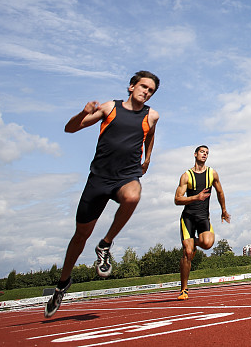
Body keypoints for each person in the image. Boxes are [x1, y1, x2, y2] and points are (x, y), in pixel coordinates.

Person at [45, 71, 160, 318]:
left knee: (133, 196)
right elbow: (70, 129)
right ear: (131, 86)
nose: (146, 92)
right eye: (143, 87)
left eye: (151, 90)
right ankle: (63, 282)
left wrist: (147, 158)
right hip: (98, 180)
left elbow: (150, 135)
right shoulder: (110, 108)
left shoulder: (152, 115)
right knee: (80, 236)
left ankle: (105, 244)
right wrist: (83, 112)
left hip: (126, 176)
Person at [174, 145, 230, 300]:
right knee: (188, 252)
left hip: (203, 217)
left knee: (207, 243)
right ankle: (184, 289)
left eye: (207, 153)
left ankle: (192, 243)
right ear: (195, 154)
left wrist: (223, 210)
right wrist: (195, 197)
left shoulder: (212, 173)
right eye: (202, 152)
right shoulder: (186, 176)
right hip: (188, 218)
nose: (205, 154)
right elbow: (177, 199)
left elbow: (220, 192)